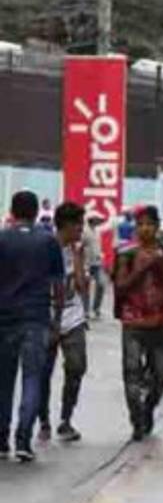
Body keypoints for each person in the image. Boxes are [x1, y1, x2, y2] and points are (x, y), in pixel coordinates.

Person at [0, 191, 64, 462]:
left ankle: (1, 440)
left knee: (3, 380)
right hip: (36, 318)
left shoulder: (2, 238)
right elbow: (58, 284)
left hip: (4, 318)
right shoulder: (48, 241)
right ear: (37, 211)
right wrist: (57, 319)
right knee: (32, 378)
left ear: (12, 211)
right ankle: (24, 440)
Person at [111, 206, 163, 441]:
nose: (145, 229)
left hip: (160, 321)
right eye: (141, 224)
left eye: (150, 224)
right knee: (131, 371)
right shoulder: (126, 253)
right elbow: (121, 286)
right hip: (133, 319)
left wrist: (162, 265)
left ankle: (148, 408)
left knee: (161, 373)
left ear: (157, 226)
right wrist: (142, 268)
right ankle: (137, 419)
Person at [36, 202, 90, 442]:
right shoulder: (45, 248)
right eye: (79, 225)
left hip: (73, 317)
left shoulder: (77, 250)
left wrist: (78, 257)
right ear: (67, 225)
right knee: (42, 372)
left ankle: (66, 419)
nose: (82, 230)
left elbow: (81, 285)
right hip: (46, 317)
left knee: (76, 366)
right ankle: (43, 419)